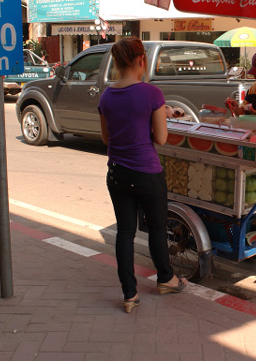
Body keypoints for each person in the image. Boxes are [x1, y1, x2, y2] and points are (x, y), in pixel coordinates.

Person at [98, 37, 187, 313]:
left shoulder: (106, 96)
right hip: (147, 174)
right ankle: (166, 279)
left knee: (125, 232)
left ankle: (129, 295)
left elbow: (106, 139)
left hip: (117, 174)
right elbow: (161, 138)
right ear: (141, 61)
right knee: (157, 229)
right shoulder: (151, 94)